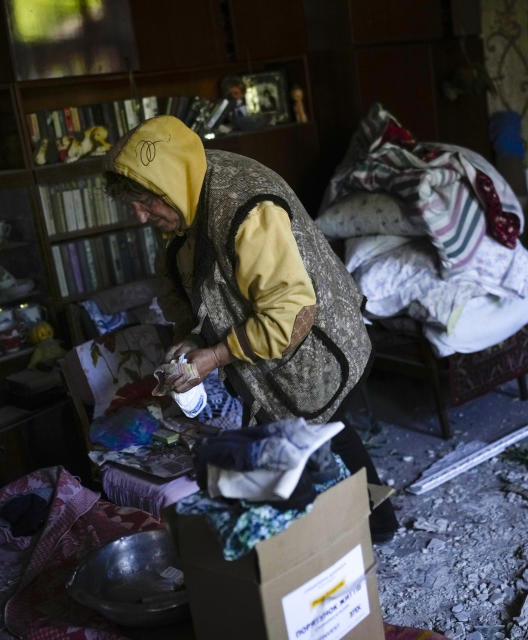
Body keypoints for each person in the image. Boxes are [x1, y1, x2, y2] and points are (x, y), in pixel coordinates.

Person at [103, 115, 398, 541]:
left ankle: (377, 529)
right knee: (298, 442)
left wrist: (214, 355)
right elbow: (186, 282)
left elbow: (287, 317)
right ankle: (334, 528)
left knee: (324, 435)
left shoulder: (246, 208)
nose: (139, 215)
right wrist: (189, 337)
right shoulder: (182, 195)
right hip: (268, 351)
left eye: (145, 202)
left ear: (168, 183)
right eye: (133, 203)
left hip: (316, 341)